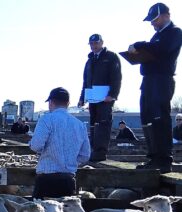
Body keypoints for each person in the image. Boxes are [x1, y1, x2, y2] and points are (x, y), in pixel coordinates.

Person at [129, 3, 182, 171]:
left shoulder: (175, 32)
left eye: (155, 19)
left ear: (166, 15)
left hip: (162, 80)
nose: (152, 23)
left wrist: (139, 44)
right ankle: (153, 156)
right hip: (149, 80)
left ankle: (164, 159)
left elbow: (162, 49)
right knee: (147, 118)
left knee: (160, 118)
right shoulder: (156, 36)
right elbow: (154, 49)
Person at [30, 88, 91, 199]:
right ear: (68, 103)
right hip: (68, 179)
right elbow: (85, 155)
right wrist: (70, 160)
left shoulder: (46, 120)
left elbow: (36, 145)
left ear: (51, 102)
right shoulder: (79, 125)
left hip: (46, 179)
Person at [75, 34, 122, 162]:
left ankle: (101, 152)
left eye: (96, 43)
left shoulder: (111, 57)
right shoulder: (89, 61)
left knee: (103, 123)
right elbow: (86, 81)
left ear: (102, 43)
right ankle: (94, 149)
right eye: (91, 44)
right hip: (92, 97)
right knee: (93, 123)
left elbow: (116, 77)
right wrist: (82, 97)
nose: (94, 46)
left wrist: (113, 94)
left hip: (105, 97)